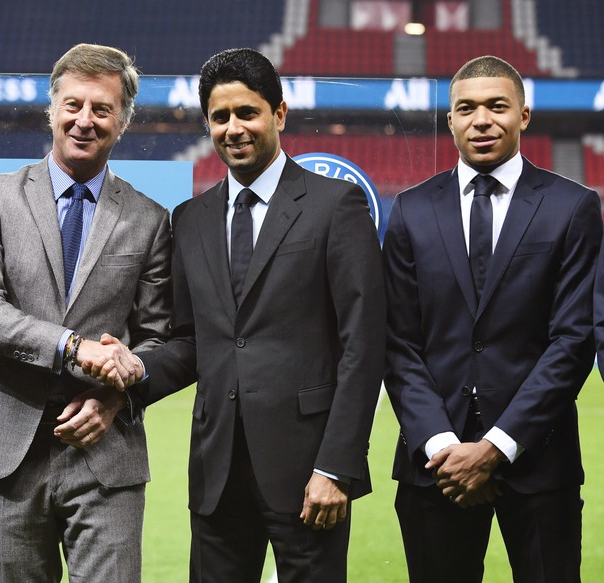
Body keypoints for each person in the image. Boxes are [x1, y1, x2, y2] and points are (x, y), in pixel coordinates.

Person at [88, 47, 385, 582]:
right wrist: (135, 369)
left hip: (308, 470)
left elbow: (362, 346)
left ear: (279, 114)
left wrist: (337, 467)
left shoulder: (335, 206)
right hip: (216, 470)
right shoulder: (191, 219)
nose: (234, 128)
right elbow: (188, 341)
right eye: (220, 117)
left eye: (247, 113)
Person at [0, 43, 171, 583]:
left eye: (101, 109)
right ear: (51, 110)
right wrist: (74, 348)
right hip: (4, 443)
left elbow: (157, 338)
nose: (85, 120)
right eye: (73, 105)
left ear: (123, 121)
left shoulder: (150, 219)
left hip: (106, 446)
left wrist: (115, 393)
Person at [382, 55, 601, 583]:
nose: (482, 119)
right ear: (451, 120)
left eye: (496, 106)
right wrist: (443, 445)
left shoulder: (572, 207)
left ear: (524, 115)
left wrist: (497, 446)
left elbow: (572, 340)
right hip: (436, 469)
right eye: (467, 108)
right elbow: (396, 342)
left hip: (538, 462)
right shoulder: (410, 210)